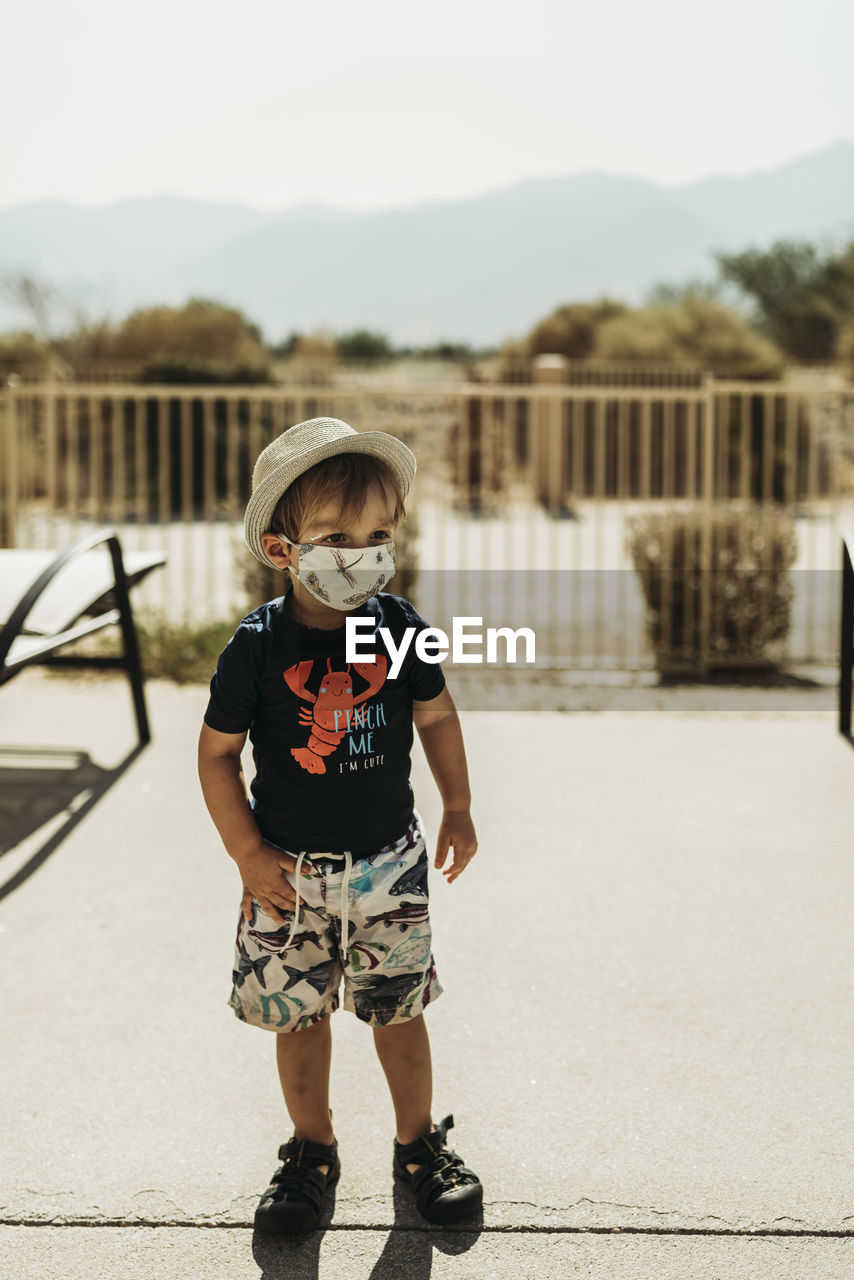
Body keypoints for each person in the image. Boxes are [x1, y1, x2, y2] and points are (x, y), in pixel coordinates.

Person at [197, 416, 483, 1236]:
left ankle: (419, 1146)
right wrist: (248, 855)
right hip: (285, 876)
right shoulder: (254, 649)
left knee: (399, 1013)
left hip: (389, 867)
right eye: (335, 535)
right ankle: (311, 1150)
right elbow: (216, 757)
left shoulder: (397, 630)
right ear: (282, 548)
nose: (360, 551)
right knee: (300, 1019)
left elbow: (435, 716)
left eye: (377, 534)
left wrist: (457, 805)